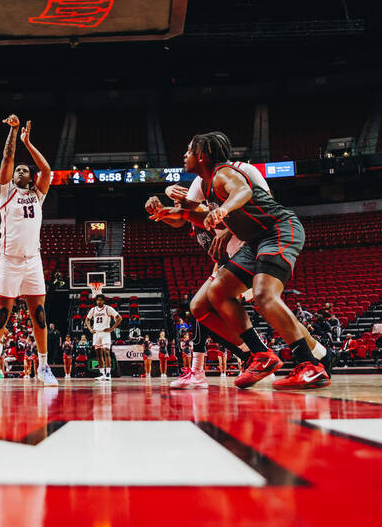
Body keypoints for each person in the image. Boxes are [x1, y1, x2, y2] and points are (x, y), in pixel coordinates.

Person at [148, 133, 329, 389]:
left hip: (277, 229)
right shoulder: (204, 183)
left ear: (202, 155)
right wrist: (175, 211)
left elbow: (243, 190)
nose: (184, 155)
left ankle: (311, 365)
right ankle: (261, 355)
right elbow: (196, 217)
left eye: (189, 150)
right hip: (253, 241)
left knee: (264, 295)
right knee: (217, 292)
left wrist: (223, 210)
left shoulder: (225, 173)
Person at [0, 116, 59, 388]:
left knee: (39, 315)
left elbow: (47, 171)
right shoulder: (5, 192)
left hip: (33, 259)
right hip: (9, 260)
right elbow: (7, 157)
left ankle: (44, 367)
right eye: (18, 170)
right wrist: (14, 133)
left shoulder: (38, 193)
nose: (21, 171)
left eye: (25, 170)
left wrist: (29, 142)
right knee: (2, 314)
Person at [86, 293, 122, 382]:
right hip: (96, 333)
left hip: (105, 333)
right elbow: (87, 320)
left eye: (101, 300)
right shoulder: (93, 310)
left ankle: (108, 373)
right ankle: (102, 373)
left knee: (106, 352)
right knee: (98, 354)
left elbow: (119, 318)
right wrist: (90, 329)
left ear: (104, 301)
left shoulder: (108, 308)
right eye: (97, 300)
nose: (99, 301)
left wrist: (112, 328)